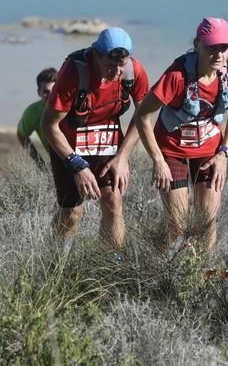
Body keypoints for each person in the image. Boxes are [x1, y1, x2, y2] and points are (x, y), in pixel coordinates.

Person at [134, 17, 228, 254]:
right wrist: (158, 161)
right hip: (172, 151)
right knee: (177, 225)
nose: (218, 54)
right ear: (197, 44)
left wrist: (224, 154)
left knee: (207, 223)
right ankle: (154, 262)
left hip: (210, 152)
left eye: (224, 48)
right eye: (211, 47)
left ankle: (202, 275)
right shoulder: (176, 77)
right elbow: (142, 116)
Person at [41, 27, 149, 249]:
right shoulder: (74, 72)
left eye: (122, 64)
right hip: (68, 144)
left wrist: (122, 157)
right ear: (96, 55)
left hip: (106, 141)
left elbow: (143, 116)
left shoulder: (133, 71)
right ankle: (56, 258)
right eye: (110, 64)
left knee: (113, 201)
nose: (117, 71)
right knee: (72, 212)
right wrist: (77, 165)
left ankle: (110, 265)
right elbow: (49, 124)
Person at [17, 67, 57, 169]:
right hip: (57, 164)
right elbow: (22, 135)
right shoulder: (33, 112)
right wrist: (39, 163)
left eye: (54, 91)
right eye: (46, 92)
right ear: (38, 92)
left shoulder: (73, 107)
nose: (51, 96)